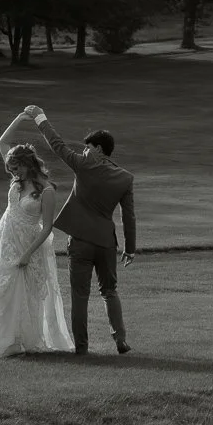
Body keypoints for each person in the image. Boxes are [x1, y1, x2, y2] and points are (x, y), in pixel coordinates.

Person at [26, 104, 137, 355]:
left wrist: (40, 117)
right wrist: (130, 248)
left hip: (81, 242)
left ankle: (82, 348)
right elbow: (128, 216)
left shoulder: (84, 165)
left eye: (88, 147)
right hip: (106, 243)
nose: (84, 150)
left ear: (98, 149)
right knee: (110, 291)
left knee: (80, 295)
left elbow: (57, 145)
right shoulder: (125, 178)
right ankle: (120, 339)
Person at [0, 111, 75, 357]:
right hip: (5, 238)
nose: (14, 173)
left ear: (29, 164)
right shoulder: (18, 180)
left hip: (28, 242)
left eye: (17, 168)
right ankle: (2, 340)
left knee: (25, 293)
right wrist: (20, 118)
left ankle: (23, 340)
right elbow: (2, 143)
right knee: (1, 287)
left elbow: (48, 227)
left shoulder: (47, 191)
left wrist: (28, 253)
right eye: (11, 168)